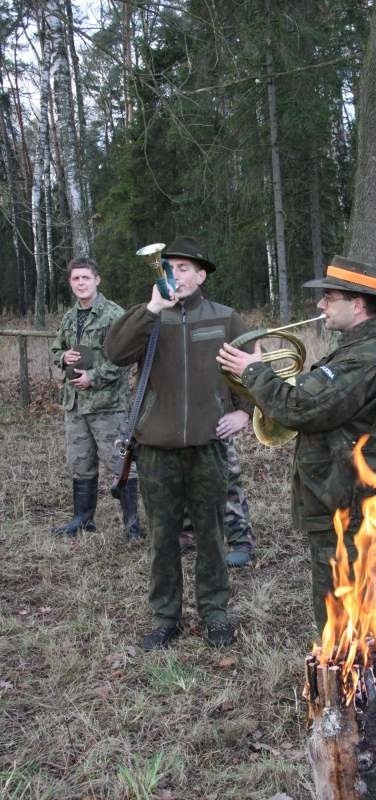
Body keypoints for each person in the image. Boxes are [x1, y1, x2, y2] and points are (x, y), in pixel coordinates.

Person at [217, 255, 376, 633]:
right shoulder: (361, 348)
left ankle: (348, 678)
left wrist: (253, 372)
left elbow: (303, 407)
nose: (320, 304)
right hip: (346, 490)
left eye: (329, 297)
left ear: (356, 305)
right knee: (348, 590)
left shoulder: (366, 359)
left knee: (341, 598)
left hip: (347, 498)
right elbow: (318, 398)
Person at [104, 237, 252, 650]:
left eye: (185, 268)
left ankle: (215, 613)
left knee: (211, 533)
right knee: (163, 537)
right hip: (156, 448)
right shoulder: (148, 317)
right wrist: (152, 309)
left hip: (208, 445)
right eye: (170, 267)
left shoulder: (225, 318)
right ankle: (165, 617)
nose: (177, 274)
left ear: (201, 275)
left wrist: (245, 411)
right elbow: (114, 354)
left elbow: (251, 369)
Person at [51, 257, 144, 541]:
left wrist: (95, 377)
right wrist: (62, 357)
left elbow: (125, 358)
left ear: (97, 280)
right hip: (76, 404)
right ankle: (82, 519)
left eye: (86, 278)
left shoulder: (114, 314)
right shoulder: (69, 317)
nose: (81, 283)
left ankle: (131, 524)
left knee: (121, 462)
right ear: (70, 283)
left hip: (108, 406)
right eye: (76, 279)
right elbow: (57, 350)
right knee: (80, 462)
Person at [180, 437, 255, 567]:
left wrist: (243, 415)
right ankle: (186, 533)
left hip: (215, 423)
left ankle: (241, 540)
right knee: (181, 472)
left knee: (225, 475)